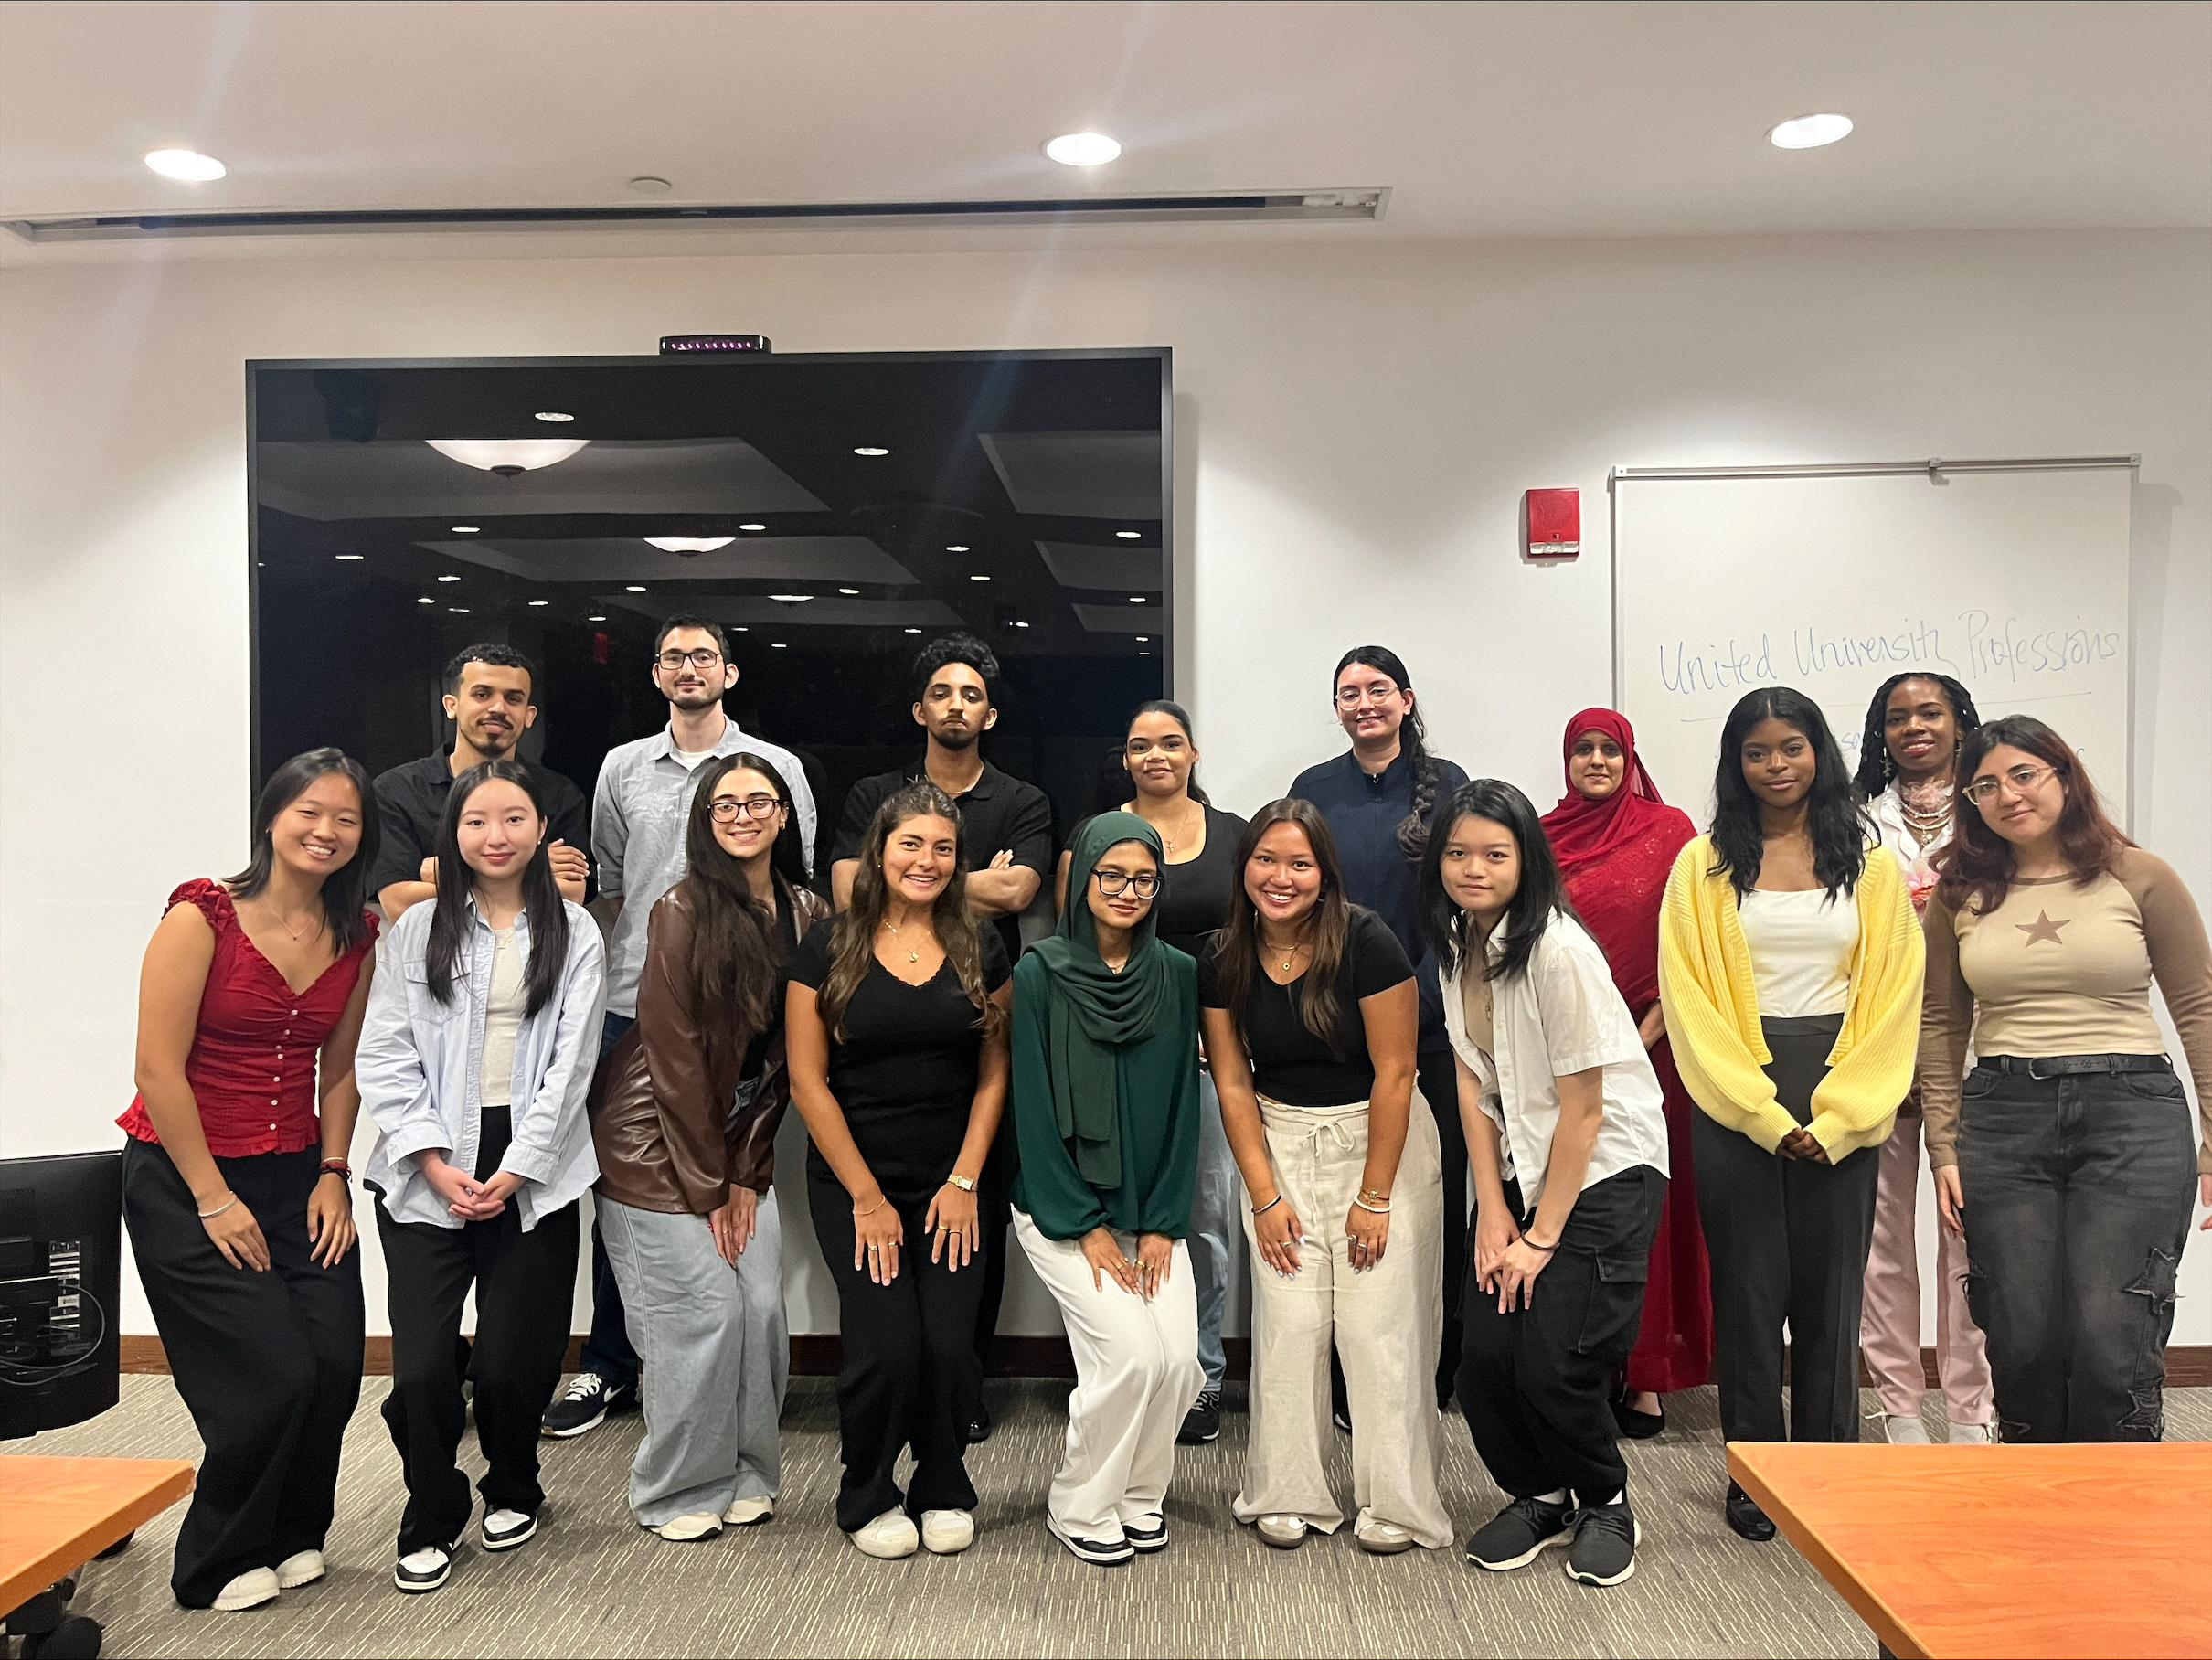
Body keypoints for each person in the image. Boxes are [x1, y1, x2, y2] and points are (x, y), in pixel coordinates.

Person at [118, 749, 381, 1612]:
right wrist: (212, 1198)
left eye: (346, 819)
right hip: (184, 1176)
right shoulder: (202, 915)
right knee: (270, 1375)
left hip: (297, 1173)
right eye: (310, 812)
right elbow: (157, 1069)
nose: (326, 831)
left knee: (335, 1362)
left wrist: (335, 1171)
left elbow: (340, 1067)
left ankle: (293, 1532)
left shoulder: (357, 933)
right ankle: (215, 1560)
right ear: (273, 816)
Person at [1657, 687, 1922, 1543]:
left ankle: (1830, 1469)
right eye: (1758, 752)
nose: (1777, 765)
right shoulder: (1701, 867)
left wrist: (1842, 1117)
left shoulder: (1871, 864)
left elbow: (1894, 996)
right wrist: (1762, 1113)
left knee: (1831, 1293)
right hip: (1735, 1095)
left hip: (1845, 1085)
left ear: (1820, 754)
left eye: (1793, 747)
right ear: (1735, 764)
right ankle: (1756, 1473)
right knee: (1746, 1292)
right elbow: (1690, 1001)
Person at [546, 615, 817, 1439]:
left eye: (704, 656)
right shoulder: (622, 767)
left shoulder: (776, 767)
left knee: (722, 1197)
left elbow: (792, 870)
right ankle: (610, 1364)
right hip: (635, 1000)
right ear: (657, 673)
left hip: (742, 1009)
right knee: (630, 1196)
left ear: (730, 672)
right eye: (673, 656)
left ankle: (716, 1378)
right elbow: (613, 882)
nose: (688, 667)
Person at [1919, 715, 2212, 1442]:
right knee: (2021, 1336)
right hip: (2003, 1118)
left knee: (2112, 1332)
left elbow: (2199, 1007)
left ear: (2063, 775)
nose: (2007, 795)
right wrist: (1943, 1145)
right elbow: (1940, 1022)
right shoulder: (1960, 891)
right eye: (1985, 786)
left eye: (2023, 774)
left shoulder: (2138, 875)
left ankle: (2119, 1500)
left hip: (2133, 1115)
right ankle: (2033, 1496)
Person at [357, 761, 604, 1594]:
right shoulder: (416, 929)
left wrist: (517, 1166)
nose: (495, 836)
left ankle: (514, 1484)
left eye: (513, 819)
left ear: (541, 829)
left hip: (534, 1162)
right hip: (425, 1160)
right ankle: (430, 1510)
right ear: (452, 832)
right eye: (476, 821)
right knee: (423, 1367)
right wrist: (431, 1158)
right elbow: (383, 1052)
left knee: (513, 1360)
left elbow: (572, 1065)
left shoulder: (575, 930)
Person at [1425, 781, 1670, 1590]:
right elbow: (1470, 1079)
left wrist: (1538, 1237)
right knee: (1483, 1364)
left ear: (1527, 860)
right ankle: (1541, 1494)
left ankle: (1606, 1500)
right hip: (1520, 1170)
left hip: (1603, 1170)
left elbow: (1586, 1110)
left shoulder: (1557, 950)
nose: (1474, 869)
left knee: (1555, 1363)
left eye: (1495, 854)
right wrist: (1493, 1211)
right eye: (1458, 853)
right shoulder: (1457, 941)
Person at [1201, 800, 1452, 1557]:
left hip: (1379, 1142)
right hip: (1278, 1142)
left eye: (1299, 863)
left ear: (1325, 874)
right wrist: (1263, 1195)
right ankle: (1288, 1492)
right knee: (1289, 1332)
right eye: (1266, 860)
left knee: (1381, 1333)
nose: (1281, 878)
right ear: (1244, 867)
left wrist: (1374, 1196)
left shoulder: (1367, 941)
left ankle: (1399, 1504)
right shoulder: (1223, 953)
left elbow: (1397, 1072)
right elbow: (1232, 1082)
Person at [590, 754, 827, 1538]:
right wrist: (711, 1184)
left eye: (758, 801)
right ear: (705, 821)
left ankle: (748, 1472)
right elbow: (675, 1058)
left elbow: (787, 1064)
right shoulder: (681, 908)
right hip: (650, 1141)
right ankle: (675, 1490)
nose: (742, 815)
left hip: (733, 1143)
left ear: (784, 814)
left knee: (759, 1310)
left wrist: (747, 1171)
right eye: (725, 805)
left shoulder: (809, 912)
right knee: (702, 1314)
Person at [830, 633, 1051, 1440]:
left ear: (988, 714)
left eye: (971, 695)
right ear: (919, 709)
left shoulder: (1023, 798)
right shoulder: (872, 792)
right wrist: (968, 878)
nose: (956, 705)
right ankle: (894, 1393)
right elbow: (848, 889)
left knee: (972, 1223)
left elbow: (1020, 891)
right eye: (942, 693)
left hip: (976, 1019)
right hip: (879, 1029)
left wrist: (910, 880)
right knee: (882, 1260)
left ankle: (963, 1391)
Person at [786, 782, 1014, 1559]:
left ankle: (943, 1484)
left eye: (943, 848)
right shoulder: (826, 946)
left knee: (950, 1345)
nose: (927, 860)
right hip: (856, 1183)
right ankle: (868, 1492)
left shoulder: (982, 944)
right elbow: (807, 1081)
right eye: (911, 844)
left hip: (957, 1180)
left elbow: (995, 1072)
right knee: (887, 1348)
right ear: (879, 852)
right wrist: (866, 1197)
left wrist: (965, 1181)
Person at [1055, 700, 1249, 1445]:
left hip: (1208, 1052)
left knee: (1202, 1219)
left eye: (1171, 743)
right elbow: (1076, 947)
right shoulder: (1094, 837)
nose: (1156, 755)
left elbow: (1257, 939)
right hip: (1114, 1049)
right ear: (1126, 759)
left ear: (1194, 753)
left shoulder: (1233, 836)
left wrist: (1227, 1035)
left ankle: (1201, 1376)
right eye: (1141, 745)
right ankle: (1121, 1367)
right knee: (1110, 1210)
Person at [1014, 814, 1204, 1564]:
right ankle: (1079, 1503)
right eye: (1113, 875)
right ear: (1084, 878)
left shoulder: (1178, 973)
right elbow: (1031, 1110)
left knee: (1179, 1363)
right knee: (1129, 1358)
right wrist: (1086, 1224)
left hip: (1150, 1208)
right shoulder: (1040, 972)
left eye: (1144, 879)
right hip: (1062, 1207)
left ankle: (1137, 1495)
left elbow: (1184, 1107)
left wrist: (1161, 1221)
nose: (1128, 891)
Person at [1288, 646, 1472, 1414]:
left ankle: (1436, 1368)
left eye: (1377, 689)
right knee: (1340, 1208)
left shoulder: (1450, 785)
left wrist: (1412, 1003)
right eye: (1348, 693)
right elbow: (1294, 899)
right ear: (1336, 708)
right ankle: (1343, 1382)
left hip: (1429, 1030)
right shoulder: (1313, 789)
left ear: (1406, 698)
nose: (1362, 703)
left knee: (1430, 1200)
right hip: (1332, 1030)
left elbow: (1463, 907)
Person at [1536, 709, 1706, 1439]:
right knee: (1575, 1204)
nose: (1598, 761)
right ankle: (1587, 1366)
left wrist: (1640, 1038)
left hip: (1654, 1049)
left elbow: (1693, 941)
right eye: (1584, 749)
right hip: (1564, 1053)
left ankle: (1647, 1378)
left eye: (1611, 749)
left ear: (1631, 758)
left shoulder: (1670, 832)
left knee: (1647, 1211)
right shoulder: (1541, 837)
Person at [1851, 673, 1996, 1445]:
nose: (1914, 727)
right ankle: (1900, 1407)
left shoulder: (1994, 815)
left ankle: (1972, 1410)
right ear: (1881, 734)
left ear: (1959, 723)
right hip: (1876, 1043)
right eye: (1897, 717)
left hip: (1971, 1047)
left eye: (1929, 713)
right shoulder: (1855, 822)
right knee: (1882, 1240)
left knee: (1967, 1235)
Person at [369, 644, 590, 922]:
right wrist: (534, 867)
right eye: (482, 695)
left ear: (529, 715)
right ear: (452, 705)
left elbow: (571, 896)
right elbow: (400, 904)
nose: (498, 708)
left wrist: (452, 872)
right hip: (434, 950)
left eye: (513, 699)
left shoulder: (559, 795)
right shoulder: (396, 791)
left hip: (534, 949)